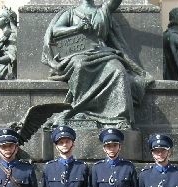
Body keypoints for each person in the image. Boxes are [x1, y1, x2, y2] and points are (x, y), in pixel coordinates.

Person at [41, 0, 153, 128]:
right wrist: (76, 28)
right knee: (80, 65)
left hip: (103, 52)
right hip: (79, 53)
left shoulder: (103, 10)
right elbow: (56, 30)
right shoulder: (70, 13)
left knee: (118, 70)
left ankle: (119, 117)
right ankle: (80, 109)